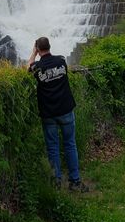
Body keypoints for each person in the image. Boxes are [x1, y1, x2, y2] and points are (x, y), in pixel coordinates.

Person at [28, 37, 88, 192]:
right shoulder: (61, 61)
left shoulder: (37, 67)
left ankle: (56, 183)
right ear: (50, 46)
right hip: (66, 109)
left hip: (48, 113)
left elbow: (28, 69)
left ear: (38, 49)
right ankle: (75, 182)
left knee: (53, 148)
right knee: (70, 144)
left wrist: (33, 54)